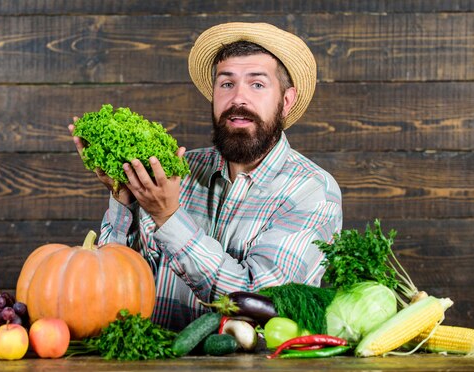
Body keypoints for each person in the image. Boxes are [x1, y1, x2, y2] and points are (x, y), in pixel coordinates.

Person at [69, 22, 342, 331]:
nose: (239, 99)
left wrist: (169, 218)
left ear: (286, 100)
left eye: (257, 85)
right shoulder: (176, 172)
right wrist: (123, 199)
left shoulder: (311, 191)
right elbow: (110, 283)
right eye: (226, 84)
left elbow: (262, 302)